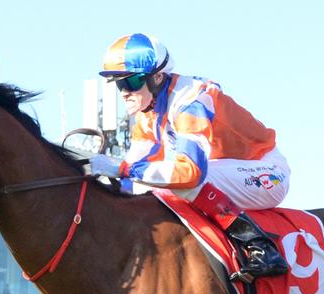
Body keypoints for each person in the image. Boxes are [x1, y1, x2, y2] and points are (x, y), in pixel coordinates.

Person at [90, 33, 291, 280]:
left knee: (183, 182)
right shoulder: (147, 113)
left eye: (130, 82)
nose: (124, 92)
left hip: (267, 172)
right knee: (151, 182)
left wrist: (120, 168)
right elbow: (134, 174)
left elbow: (190, 173)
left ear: (157, 77)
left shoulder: (192, 100)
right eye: (118, 84)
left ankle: (259, 245)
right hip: (226, 171)